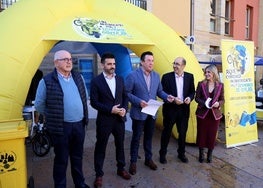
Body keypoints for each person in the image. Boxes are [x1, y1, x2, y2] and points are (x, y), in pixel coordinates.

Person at [34, 50, 89, 188]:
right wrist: (53, 115)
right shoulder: (46, 81)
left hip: (79, 125)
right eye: (65, 59)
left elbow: (84, 97)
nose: (69, 61)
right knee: (61, 160)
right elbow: (39, 105)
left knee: (77, 158)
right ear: (56, 62)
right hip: (60, 127)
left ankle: (80, 184)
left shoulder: (78, 77)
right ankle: (60, 186)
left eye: (70, 59)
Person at [125, 51, 174, 175]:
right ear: (142, 62)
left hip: (151, 114)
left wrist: (166, 97)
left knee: (148, 138)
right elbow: (126, 93)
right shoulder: (132, 76)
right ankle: (133, 161)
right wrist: (138, 101)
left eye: (152, 60)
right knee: (136, 138)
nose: (151, 63)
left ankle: (148, 159)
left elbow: (160, 91)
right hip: (138, 113)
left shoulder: (156, 76)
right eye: (148, 61)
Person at [90, 53, 131, 188]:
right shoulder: (96, 81)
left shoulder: (120, 79)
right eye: (109, 64)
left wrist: (125, 108)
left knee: (120, 145)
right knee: (101, 147)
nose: (112, 66)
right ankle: (99, 175)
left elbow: (125, 96)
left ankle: (121, 168)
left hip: (119, 119)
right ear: (102, 65)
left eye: (114, 64)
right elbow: (94, 102)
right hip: (104, 120)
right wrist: (109, 109)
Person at [159, 57, 195, 164]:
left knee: (182, 133)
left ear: (183, 66)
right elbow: (162, 93)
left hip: (184, 110)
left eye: (178, 64)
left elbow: (192, 91)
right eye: (174, 63)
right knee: (166, 132)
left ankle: (181, 154)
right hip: (170, 110)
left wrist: (189, 98)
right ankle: (162, 154)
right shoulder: (166, 77)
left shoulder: (189, 77)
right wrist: (174, 100)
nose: (175, 66)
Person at [195, 64, 224, 163]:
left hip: (214, 115)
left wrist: (218, 103)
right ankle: (201, 153)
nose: (206, 74)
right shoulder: (201, 84)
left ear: (214, 73)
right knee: (201, 134)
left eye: (209, 72)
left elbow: (222, 99)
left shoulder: (220, 85)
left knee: (212, 135)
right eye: (205, 72)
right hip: (203, 114)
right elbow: (197, 98)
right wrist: (205, 103)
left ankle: (210, 154)